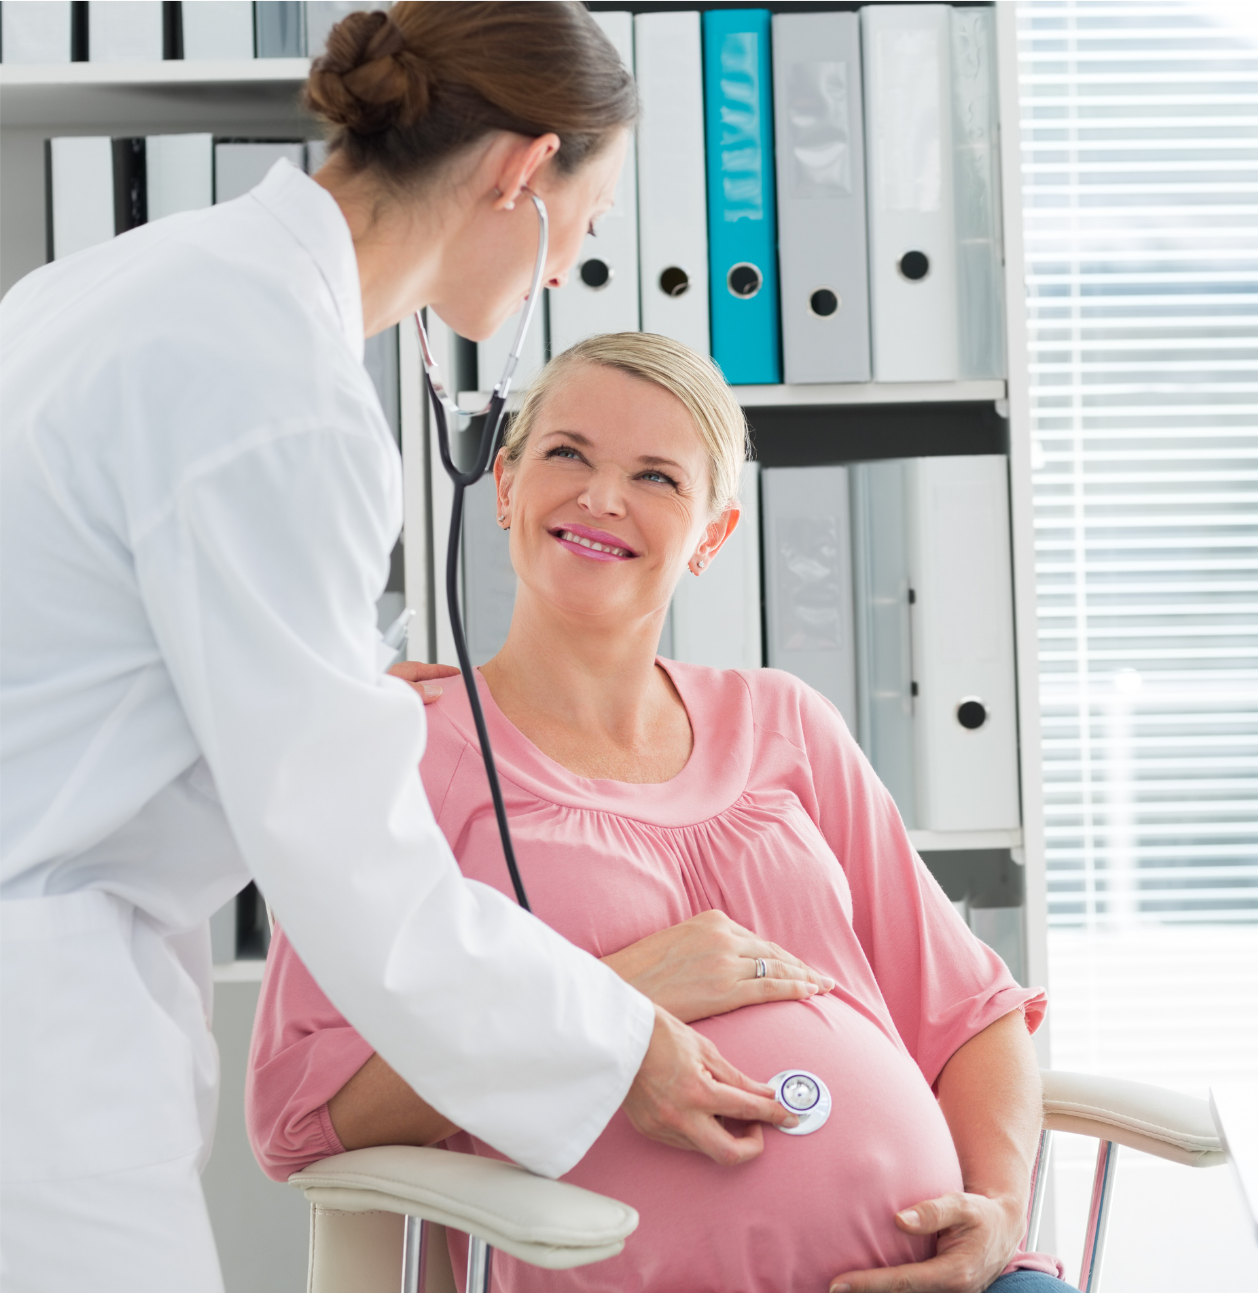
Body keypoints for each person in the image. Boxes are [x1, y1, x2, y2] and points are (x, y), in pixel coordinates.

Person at [0, 8, 792, 1288]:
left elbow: (72, 647)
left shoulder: (135, 284)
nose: (561, 269)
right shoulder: (277, 392)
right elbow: (350, 864)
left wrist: (323, 687)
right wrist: (618, 1041)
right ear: (523, 175)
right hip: (33, 1020)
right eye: (584, 227)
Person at [248, 333, 1064, 1293]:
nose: (600, 497)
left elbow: (972, 1015)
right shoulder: (404, 753)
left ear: (712, 535)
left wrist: (998, 1216)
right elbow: (298, 1115)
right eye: (567, 454)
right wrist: (614, 998)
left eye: (656, 477)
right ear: (503, 484)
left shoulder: (785, 722)